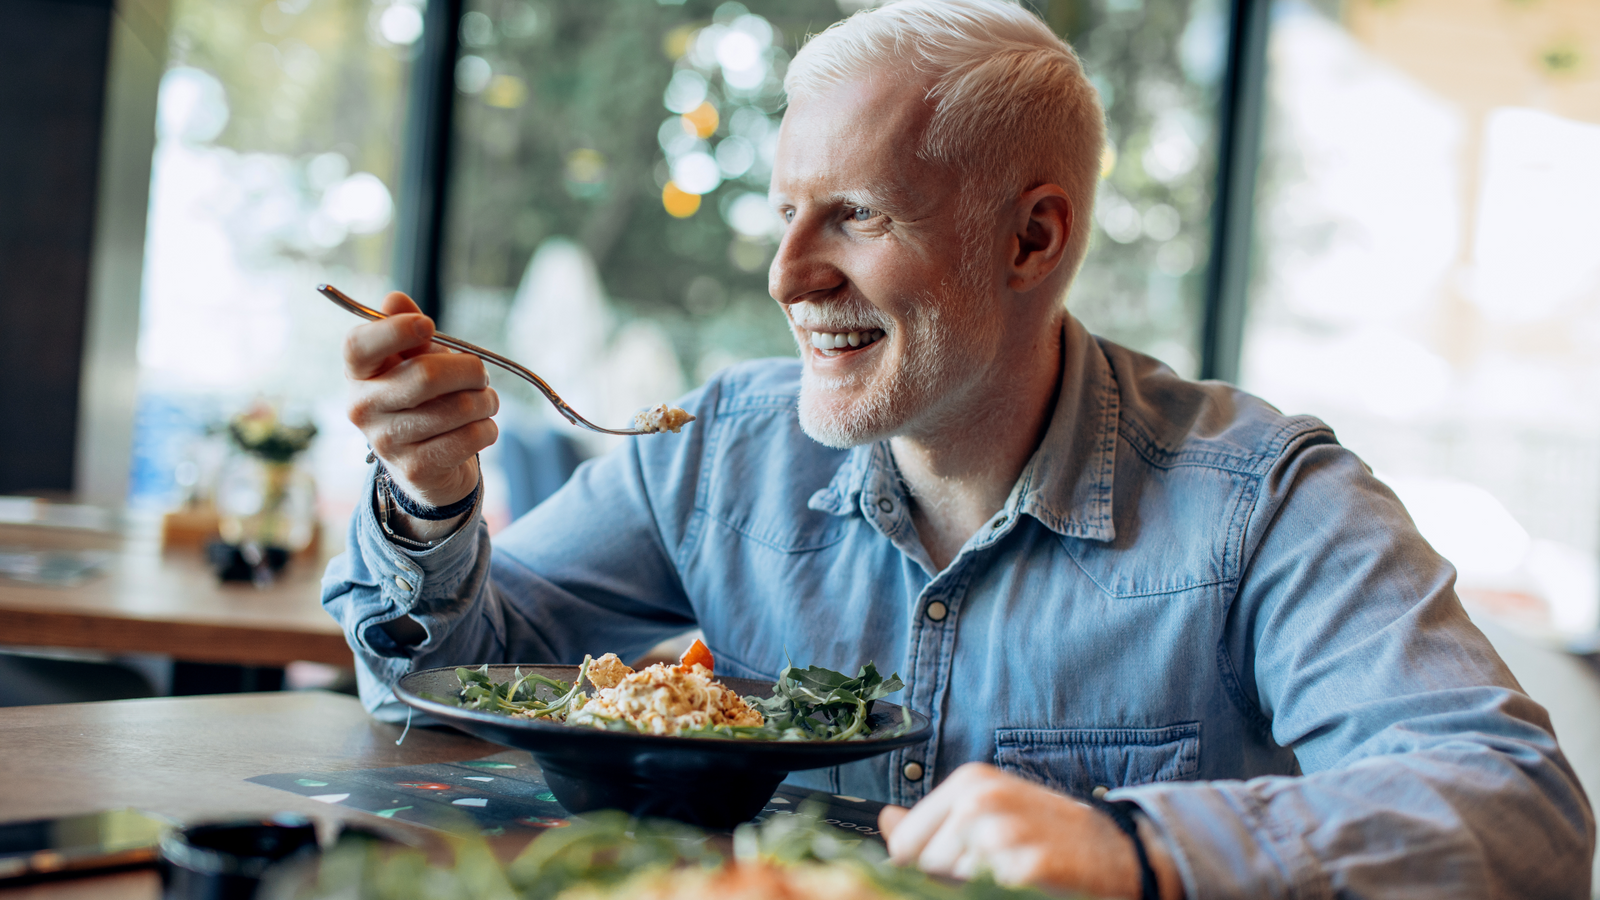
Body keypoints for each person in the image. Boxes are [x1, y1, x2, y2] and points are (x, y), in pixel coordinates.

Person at [323, 1, 1594, 896]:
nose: (786, 275)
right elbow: (433, 686)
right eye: (782, 214)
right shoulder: (716, 450)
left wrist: (1140, 854)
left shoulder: (1263, 504)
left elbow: (1518, 814)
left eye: (856, 215)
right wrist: (432, 504)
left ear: (1033, 240)